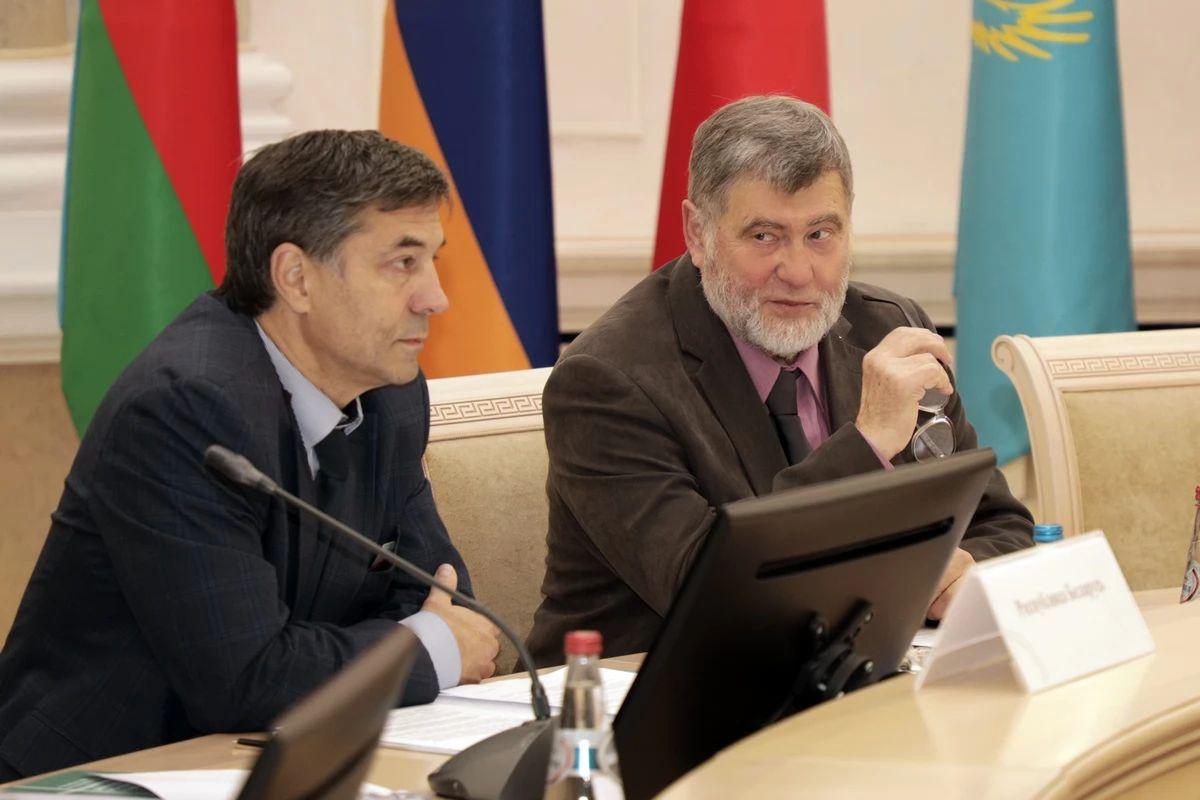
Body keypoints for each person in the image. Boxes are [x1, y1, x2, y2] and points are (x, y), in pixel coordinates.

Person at [0, 130, 500, 780]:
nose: (436, 297)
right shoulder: (185, 408)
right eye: (403, 262)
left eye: (433, 260)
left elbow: (445, 600)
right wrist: (425, 647)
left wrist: (417, 638)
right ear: (296, 278)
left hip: (264, 758)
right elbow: (245, 679)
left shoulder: (390, 396)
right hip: (99, 774)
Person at [526, 96, 1034, 665]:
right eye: (764, 236)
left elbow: (1001, 524)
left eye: (820, 234)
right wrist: (865, 445)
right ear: (698, 232)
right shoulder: (608, 381)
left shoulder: (888, 328)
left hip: (847, 678)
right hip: (643, 693)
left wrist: (958, 573)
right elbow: (713, 595)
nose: (797, 272)